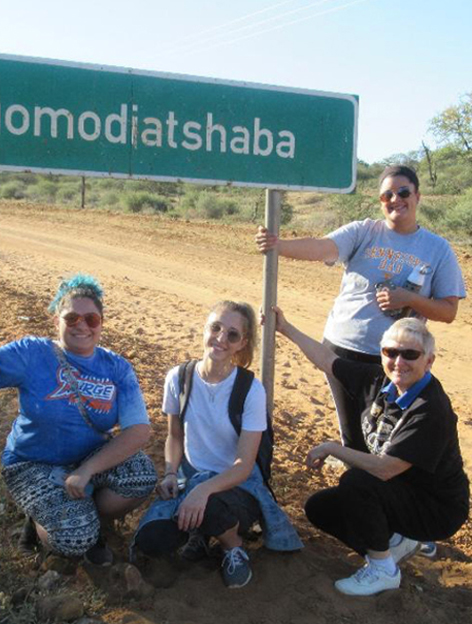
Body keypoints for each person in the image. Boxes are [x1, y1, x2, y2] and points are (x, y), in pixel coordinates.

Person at [255, 165, 465, 455]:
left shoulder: (438, 249)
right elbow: (322, 248)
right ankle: (356, 481)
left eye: (403, 192)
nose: (395, 199)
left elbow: (448, 311)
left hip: (396, 358)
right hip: (344, 347)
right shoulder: (364, 231)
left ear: (417, 196)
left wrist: (408, 298)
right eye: (387, 195)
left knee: (390, 433)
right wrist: (278, 245)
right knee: (354, 431)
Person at [0, 273, 157, 565]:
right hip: (32, 463)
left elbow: (138, 432)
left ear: (101, 324)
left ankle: (86, 517)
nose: (81, 325)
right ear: (56, 320)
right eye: (71, 318)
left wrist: (87, 469)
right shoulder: (32, 352)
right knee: (75, 540)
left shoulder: (116, 367)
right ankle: (45, 522)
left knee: (142, 474)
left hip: (87, 460)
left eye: (91, 320)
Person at [272, 309, 468, 595]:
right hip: (400, 492)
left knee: (357, 482)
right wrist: (285, 328)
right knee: (321, 508)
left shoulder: (430, 408)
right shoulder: (379, 381)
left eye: (410, 355)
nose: (399, 361)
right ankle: (396, 541)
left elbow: (385, 468)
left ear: (429, 361)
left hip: (436, 507)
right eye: (391, 352)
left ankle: (382, 569)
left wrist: (332, 448)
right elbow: (328, 361)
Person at [133, 302, 302, 589]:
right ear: (205, 329)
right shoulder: (179, 377)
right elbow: (175, 437)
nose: (221, 338)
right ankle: (198, 532)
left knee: (209, 507)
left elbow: (244, 465)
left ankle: (232, 545)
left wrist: (203, 490)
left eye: (232, 335)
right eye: (216, 328)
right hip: (191, 478)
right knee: (152, 541)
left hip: (236, 486)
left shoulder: (250, 389)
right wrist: (172, 473)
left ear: (242, 343)